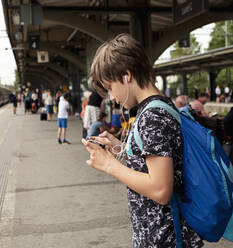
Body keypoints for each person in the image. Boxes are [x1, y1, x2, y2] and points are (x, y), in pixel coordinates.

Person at [81, 33, 203, 247]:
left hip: (164, 239)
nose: (111, 97)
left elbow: (160, 190)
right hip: (163, 234)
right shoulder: (160, 106)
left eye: (110, 88)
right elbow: (154, 165)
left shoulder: (152, 116)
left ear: (126, 75)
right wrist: (119, 149)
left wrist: (109, 165)